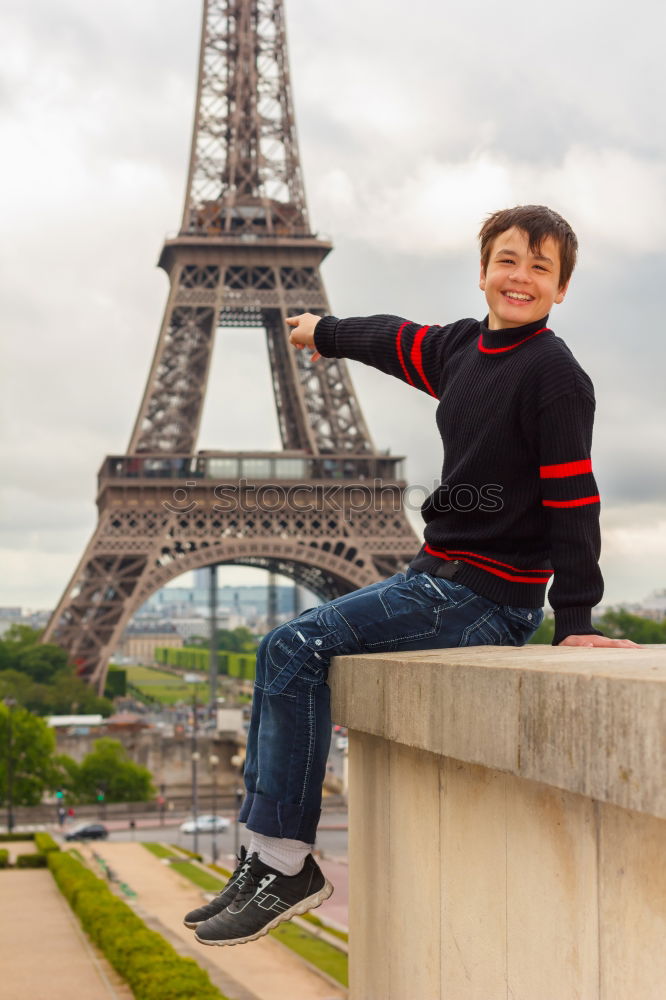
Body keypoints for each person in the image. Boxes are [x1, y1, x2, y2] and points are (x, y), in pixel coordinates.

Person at [186, 204, 640, 948]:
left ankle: (284, 864)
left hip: (484, 595)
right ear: (484, 269)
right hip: (440, 578)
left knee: (290, 649)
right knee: (284, 651)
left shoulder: (555, 376)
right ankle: (260, 859)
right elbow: (395, 338)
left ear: (561, 290)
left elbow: (574, 500)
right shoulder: (463, 349)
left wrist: (578, 622)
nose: (520, 276)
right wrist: (321, 333)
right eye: (508, 259)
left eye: (540, 267)